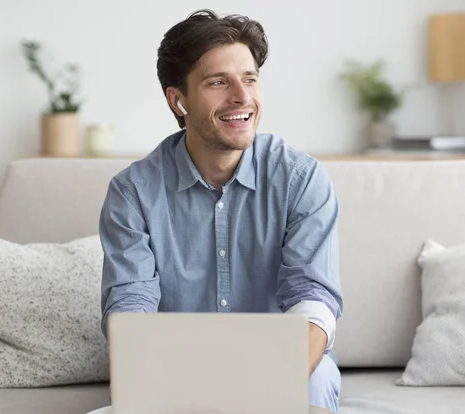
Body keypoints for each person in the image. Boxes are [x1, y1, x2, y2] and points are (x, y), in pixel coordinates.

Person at [99, 9, 343, 412]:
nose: (242, 97)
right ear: (178, 101)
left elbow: (312, 297)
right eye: (218, 82)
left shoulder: (301, 179)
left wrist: (263, 387)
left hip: (287, 365)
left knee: (312, 391)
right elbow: (130, 306)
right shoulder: (133, 193)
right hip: (172, 368)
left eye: (250, 79)